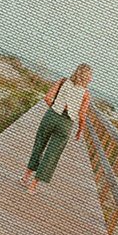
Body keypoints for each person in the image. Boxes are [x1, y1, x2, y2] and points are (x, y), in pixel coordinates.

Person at [23, 64, 92, 192]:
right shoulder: (86, 94)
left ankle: (25, 177)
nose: (91, 79)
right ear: (87, 77)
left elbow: (47, 98)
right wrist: (80, 130)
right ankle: (33, 186)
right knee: (52, 154)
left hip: (51, 116)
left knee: (39, 145)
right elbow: (82, 116)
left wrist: (57, 108)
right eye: (91, 76)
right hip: (66, 124)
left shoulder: (62, 82)